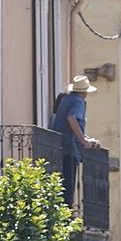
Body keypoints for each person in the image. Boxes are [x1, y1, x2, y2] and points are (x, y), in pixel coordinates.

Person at [50, 74, 99, 204]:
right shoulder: (78, 102)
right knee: (67, 192)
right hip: (69, 150)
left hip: (59, 147)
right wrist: (83, 141)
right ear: (84, 92)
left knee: (59, 187)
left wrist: (87, 138)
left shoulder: (66, 99)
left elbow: (70, 124)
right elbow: (72, 119)